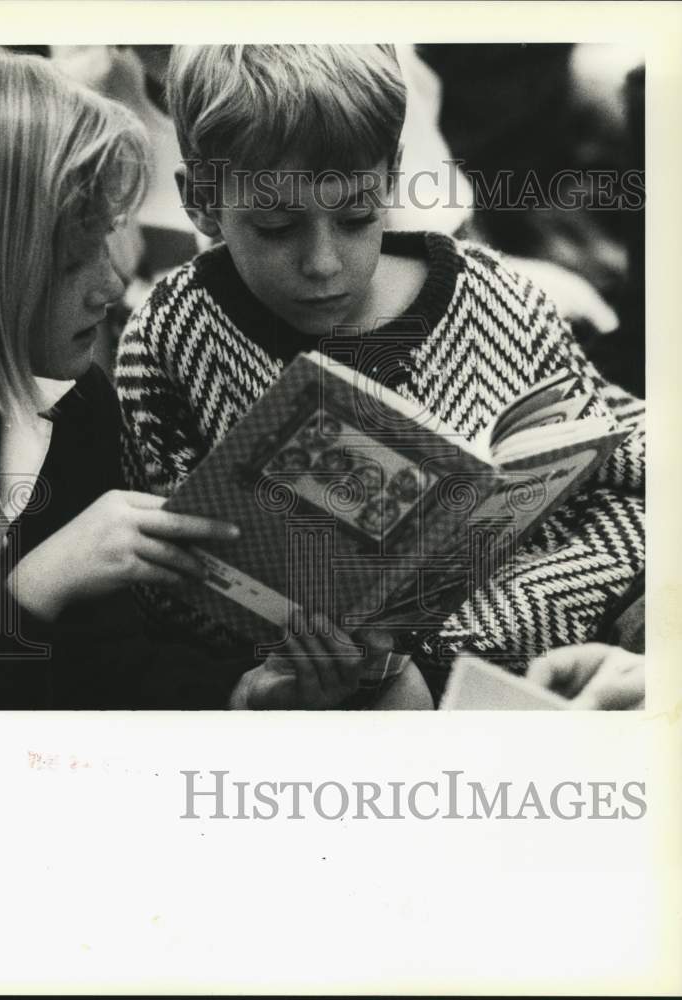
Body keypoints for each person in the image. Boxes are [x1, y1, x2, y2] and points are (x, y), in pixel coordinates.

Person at [115, 44, 645, 704]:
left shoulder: (494, 298)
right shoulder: (171, 335)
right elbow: (163, 582)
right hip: (309, 687)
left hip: (554, 653)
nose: (323, 263)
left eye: (356, 217)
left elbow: (631, 497)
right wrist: (287, 660)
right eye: (276, 227)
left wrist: (446, 656)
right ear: (200, 202)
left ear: (390, 178)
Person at [0, 45, 404, 711]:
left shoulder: (79, 402)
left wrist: (239, 698)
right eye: (74, 260)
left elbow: (106, 669)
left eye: (109, 244)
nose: (109, 285)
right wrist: (33, 588)